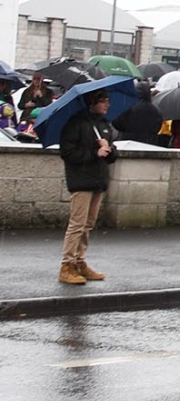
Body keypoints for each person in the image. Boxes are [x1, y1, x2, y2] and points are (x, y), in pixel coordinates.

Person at [57, 90, 119, 284]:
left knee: (88, 225)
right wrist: (95, 153)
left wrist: (108, 148)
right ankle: (67, 265)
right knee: (77, 224)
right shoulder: (76, 123)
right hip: (81, 180)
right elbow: (68, 152)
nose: (107, 105)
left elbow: (112, 155)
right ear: (92, 102)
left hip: (98, 181)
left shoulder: (103, 125)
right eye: (103, 101)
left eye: (108, 101)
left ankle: (80, 261)